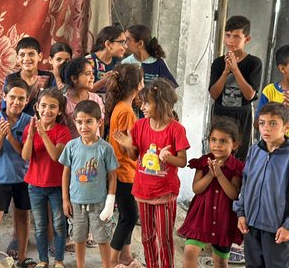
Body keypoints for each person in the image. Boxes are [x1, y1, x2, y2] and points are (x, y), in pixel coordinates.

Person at [114, 78, 189, 268]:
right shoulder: (139, 126)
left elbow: (182, 161)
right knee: (147, 237)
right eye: (142, 102)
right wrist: (127, 146)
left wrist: (167, 158)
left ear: (162, 103)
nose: (142, 106)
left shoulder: (176, 129)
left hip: (164, 192)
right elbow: (134, 156)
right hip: (143, 190)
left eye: (147, 102)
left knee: (164, 238)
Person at [0, 78, 36, 268]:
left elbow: (25, 154)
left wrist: (10, 136)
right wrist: (1, 135)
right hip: (0, 178)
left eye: (21, 99)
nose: (16, 102)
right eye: (12, 97)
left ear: (27, 100)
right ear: (4, 97)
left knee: (23, 217)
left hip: (23, 178)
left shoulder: (29, 122)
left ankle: (21, 258)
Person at [178, 118, 244, 268]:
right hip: (201, 215)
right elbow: (196, 189)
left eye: (223, 141)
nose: (216, 145)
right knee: (189, 252)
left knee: (220, 261)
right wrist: (210, 174)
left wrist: (220, 175)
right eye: (213, 140)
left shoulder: (236, 167)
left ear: (234, 144)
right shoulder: (203, 162)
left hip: (224, 218)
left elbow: (233, 194)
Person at [60, 100, 118, 268]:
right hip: (76, 203)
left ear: (99, 122)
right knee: (78, 238)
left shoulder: (105, 148)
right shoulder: (71, 146)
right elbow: (66, 173)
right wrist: (65, 199)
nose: (83, 126)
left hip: (99, 203)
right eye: (79, 122)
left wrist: (109, 202)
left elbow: (112, 176)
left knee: (102, 238)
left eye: (89, 121)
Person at [233, 102, 289, 267]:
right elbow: (246, 184)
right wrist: (241, 213)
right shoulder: (255, 150)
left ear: (286, 127)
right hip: (251, 225)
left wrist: (287, 226)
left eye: (273, 124)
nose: (266, 128)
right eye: (262, 123)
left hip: (277, 229)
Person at [21, 88, 71, 268]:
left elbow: (55, 156)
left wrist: (42, 133)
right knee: (40, 225)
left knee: (58, 223)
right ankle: (43, 260)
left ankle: (58, 260)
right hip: (35, 185)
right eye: (43, 106)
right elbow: (26, 156)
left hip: (57, 185)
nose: (47, 110)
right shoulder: (29, 128)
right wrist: (32, 136)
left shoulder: (62, 131)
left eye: (52, 107)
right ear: (36, 107)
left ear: (59, 110)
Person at [104, 64, 143, 268]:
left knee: (126, 214)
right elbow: (129, 148)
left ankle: (125, 256)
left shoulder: (120, 106)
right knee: (129, 217)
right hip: (125, 171)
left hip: (119, 169)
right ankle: (112, 261)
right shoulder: (127, 111)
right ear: (139, 85)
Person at [209, 15, 262, 161]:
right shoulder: (218, 63)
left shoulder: (254, 63)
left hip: (241, 116)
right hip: (221, 113)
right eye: (228, 35)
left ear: (247, 39)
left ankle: (236, 184)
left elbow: (250, 95)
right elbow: (214, 94)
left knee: (239, 156)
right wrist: (226, 71)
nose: (231, 40)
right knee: (218, 153)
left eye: (236, 36)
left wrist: (235, 69)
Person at [2, 37, 56, 116]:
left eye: (31, 54)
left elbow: (54, 104)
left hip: (42, 123)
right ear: (17, 58)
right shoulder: (11, 79)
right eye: (22, 55)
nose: (26, 58)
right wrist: (34, 92)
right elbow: (6, 109)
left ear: (40, 56)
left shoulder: (48, 77)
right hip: (18, 124)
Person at [61, 57, 105, 139]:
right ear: (74, 78)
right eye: (88, 74)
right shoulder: (64, 103)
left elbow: (101, 125)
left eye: (92, 73)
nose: (92, 77)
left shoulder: (96, 99)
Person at [85, 24, 126, 95]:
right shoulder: (88, 61)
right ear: (108, 44)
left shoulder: (118, 62)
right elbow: (84, 91)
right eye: (122, 42)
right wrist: (103, 81)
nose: (125, 46)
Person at [256, 45, 289, 130]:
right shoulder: (269, 91)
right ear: (282, 69)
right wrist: (279, 111)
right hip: (275, 143)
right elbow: (256, 124)